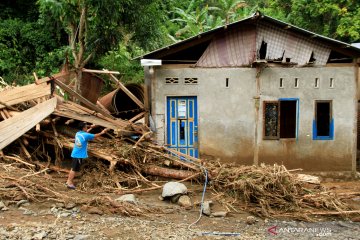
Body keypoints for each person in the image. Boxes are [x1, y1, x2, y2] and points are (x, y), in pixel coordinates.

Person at [66, 122, 108, 189]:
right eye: (86, 127)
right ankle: (69, 182)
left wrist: (91, 127)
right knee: (74, 169)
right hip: (78, 155)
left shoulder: (78, 133)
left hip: (75, 153)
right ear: (83, 128)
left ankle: (69, 181)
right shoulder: (85, 135)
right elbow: (95, 135)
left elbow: (86, 133)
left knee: (73, 168)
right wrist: (103, 132)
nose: (87, 128)